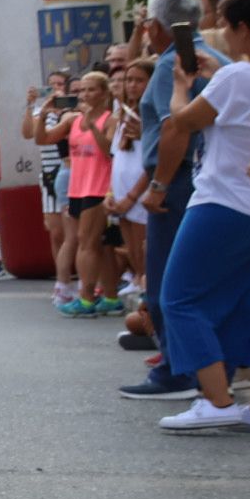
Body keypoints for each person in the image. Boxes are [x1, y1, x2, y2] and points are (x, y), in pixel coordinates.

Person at [147, 0, 250, 430]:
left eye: (225, 26)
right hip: (247, 206)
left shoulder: (237, 77)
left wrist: (181, 86)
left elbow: (181, 120)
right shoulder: (236, 75)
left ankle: (217, 401)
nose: (221, 35)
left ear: (243, 28)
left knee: (179, 298)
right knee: (244, 302)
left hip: (221, 200)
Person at [121, 0, 229, 400]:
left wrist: (159, 185)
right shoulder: (213, 61)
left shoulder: (173, 64)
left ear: (155, 26)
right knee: (197, 279)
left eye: (147, 21)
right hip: (195, 177)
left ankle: (176, 371)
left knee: (169, 280)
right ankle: (204, 369)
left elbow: (176, 127)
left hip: (177, 180)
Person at [37, 71, 122, 318]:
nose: (85, 94)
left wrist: (92, 122)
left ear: (104, 93)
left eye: (91, 90)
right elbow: (42, 138)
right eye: (82, 90)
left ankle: (85, 298)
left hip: (99, 188)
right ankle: (111, 296)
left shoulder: (110, 119)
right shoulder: (73, 119)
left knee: (87, 243)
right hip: (77, 187)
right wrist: (43, 113)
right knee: (100, 245)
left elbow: (108, 150)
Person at [21, 70, 77, 305]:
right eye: (51, 84)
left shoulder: (71, 113)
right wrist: (31, 105)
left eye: (60, 85)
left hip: (67, 169)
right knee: (55, 230)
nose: (56, 88)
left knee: (70, 231)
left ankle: (73, 276)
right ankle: (61, 276)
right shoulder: (40, 112)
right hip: (49, 173)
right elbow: (28, 133)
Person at [106, 57, 154, 308]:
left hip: (140, 195)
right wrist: (111, 192)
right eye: (129, 80)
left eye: (139, 80)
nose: (132, 86)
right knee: (133, 251)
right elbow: (118, 159)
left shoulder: (152, 117)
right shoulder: (123, 116)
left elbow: (153, 163)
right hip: (121, 194)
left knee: (145, 252)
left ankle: (149, 306)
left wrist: (132, 197)